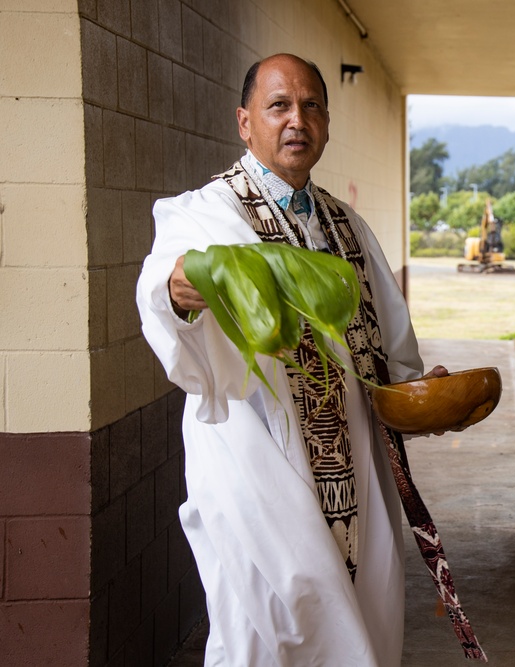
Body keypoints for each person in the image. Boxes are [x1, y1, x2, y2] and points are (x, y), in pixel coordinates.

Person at [136, 54, 484, 666]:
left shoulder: (347, 226)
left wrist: (420, 394)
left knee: (362, 628)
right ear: (246, 123)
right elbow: (164, 288)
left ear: (326, 122)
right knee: (265, 633)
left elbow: (389, 354)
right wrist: (181, 287)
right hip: (258, 471)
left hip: (359, 474)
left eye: (312, 106)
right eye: (279, 106)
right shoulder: (205, 214)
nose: (297, 120)